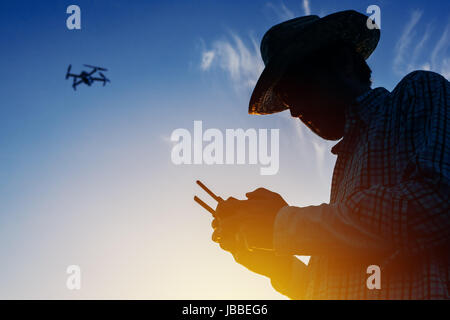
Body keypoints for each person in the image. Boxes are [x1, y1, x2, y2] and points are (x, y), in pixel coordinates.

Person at [210, 10, 450, 299]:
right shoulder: (346, 166)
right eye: (286, 101)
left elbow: (436, 204)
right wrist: (278, 264)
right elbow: (344, 281)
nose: (295, 111)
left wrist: (283, 223)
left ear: (343, 62)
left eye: (296, 88)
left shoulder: (417, 91)